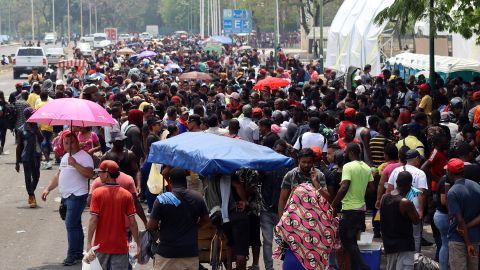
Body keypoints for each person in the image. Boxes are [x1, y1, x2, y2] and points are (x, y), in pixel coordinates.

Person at [41, 131, 94, 266]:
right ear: (63, 144)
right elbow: (59, 175)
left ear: (77, 142)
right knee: (75, 224)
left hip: (77, 196)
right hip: (66, 196)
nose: (69, 145)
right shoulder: (65, 157)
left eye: (71, 142)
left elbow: (89, 174)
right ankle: (77, 253)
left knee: (70, 224)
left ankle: (71, 255)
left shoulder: (84, 157)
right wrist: (48, 188)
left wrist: (75, 164)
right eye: (66, 143)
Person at [146, 167, 209, 270]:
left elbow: (151, 226)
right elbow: (206, 220)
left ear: (170, 181)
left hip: (167, 254)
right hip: (190, 253)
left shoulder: (162, 199)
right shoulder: (197, 197)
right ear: (185, 180)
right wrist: (195, 226)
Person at [87, 160, 140, 270]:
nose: (98, 174)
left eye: (100, 172)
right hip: (120, 247)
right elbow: (133, 223)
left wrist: (88, 242)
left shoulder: (97, 193)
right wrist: (137, 245)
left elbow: (93, 220)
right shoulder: (127, 195)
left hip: (101, 246)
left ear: (107, 174)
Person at [331, 142, 375, 270]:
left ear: (350, 153)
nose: (344, 154)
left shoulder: (348, 166)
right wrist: (359, 192)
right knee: (354, 243)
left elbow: (344, 186)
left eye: (345, 152)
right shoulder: (367, 167)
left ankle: (364, 266)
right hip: (361, 211)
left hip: (349, 211)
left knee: (348, 242)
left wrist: (333, 205)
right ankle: (358, 267)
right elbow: (372, 188)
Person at [387, 149, 428, 252]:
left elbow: (389, 189)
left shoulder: (396, 170)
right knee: (416, 236)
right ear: (417, 159)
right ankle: (415, 258)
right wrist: (421, 211)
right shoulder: (420, 173)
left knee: (398, 232)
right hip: (413, 209)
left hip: (397, 207)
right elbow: (421, 193)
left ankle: (400, 255)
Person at [380, 171, 420, 270]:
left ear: (397, 182)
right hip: (404, 246)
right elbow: (416, 220)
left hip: (389, 245)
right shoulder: (405, 202)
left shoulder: (384, 198)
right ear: (410, 185)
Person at [446, 158, 480, 270]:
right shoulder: (476, 186)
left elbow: (460, 221)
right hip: (475, 237)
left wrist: (468, 243)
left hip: (458, 239)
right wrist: (469, 227)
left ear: (450, 173)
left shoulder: (453, 192)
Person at [278, 148, 329, 217]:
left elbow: (327, 198)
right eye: (303, 162)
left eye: (309, 162)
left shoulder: (319, 175)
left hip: (315, 216)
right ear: (299, 161)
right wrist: (282, 219)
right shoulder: (291, 175)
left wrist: (316, 182)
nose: (306, 165)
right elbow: (283, 199)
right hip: (294, 215)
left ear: (313, 162)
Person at [15, 107, 43, 208]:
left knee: (36, 176)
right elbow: (19, 147)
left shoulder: (37, 127)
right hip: (26, 157)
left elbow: (41, 139)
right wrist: (17, 162)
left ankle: (31, 192)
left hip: (36, 156)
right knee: (28, 177)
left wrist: (37, 131)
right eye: (32, 115)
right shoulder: (21, 130)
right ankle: (31, 196)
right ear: (28, 117)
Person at [35, 91, 54, 169]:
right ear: (47, 97)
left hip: (42, 127)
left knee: (43, 144)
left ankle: (48, 161)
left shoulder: (39, 105)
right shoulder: (50, 105)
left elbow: (35, 116)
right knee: (47, 143)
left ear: (40, 97)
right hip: (50, 126)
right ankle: (47, 161)